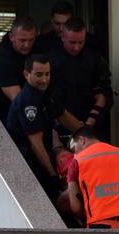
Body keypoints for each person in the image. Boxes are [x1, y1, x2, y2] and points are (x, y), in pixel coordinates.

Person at [6, 54, 83, 201]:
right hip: (29, 165)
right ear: (26, 74)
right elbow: (36, 144)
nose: (44, 79)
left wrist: (91, 138)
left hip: (42, 160)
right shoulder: (28, 100)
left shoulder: (46, 94)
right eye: (39, 75)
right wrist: (52, 175)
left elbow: (65, 117)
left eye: (47, 74)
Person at [64, 125, 119, 229]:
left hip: (100, 226)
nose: (74, 154)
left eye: (74, 149)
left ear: (82, 140)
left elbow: (76, 208)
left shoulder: (77, 162)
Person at [48, 17, 113, 140]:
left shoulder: (95, 60)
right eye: (72, 42)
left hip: (92, 124)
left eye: (81, 42)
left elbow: (103, 95)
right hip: (59, 124)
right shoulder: (51, 61)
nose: (76, 47)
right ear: (63, 37)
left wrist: (87, 126)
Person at [0, 16, 37, 125]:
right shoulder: (1, 58)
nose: (27, 45)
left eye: (31, 40)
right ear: (11, 37)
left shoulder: (35, 50)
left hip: (19, 115)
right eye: (22, 40)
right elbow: (18, 99)